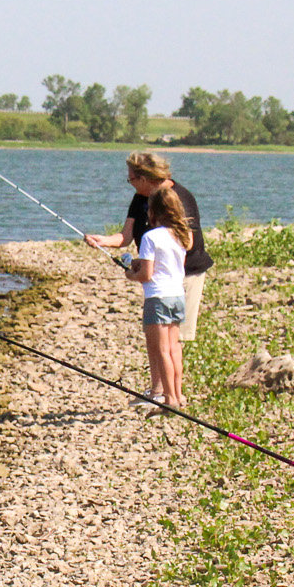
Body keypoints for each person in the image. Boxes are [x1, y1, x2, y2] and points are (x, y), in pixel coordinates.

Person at [84, 151, 210, 348]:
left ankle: (171, 379)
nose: (130, 182)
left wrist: (147, 263)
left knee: (175, 341)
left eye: (131, 178)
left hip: (186, 274)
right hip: (157, 278)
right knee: (159, 339)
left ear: (144, 178)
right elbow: (126, 236)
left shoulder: (179, 197)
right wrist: (103, 241)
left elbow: (188, 242)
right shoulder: (139, 198)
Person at [117, 187, 191, 410]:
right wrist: (142, 264)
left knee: (161, 351)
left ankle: (169, 400)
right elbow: (167, 264)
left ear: (153, 212)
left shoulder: (150, 237)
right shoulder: (183, 235)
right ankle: (178, 395)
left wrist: (131, 274)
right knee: (174, 348)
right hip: (177, 295)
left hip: (157, 298)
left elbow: (146, 275)